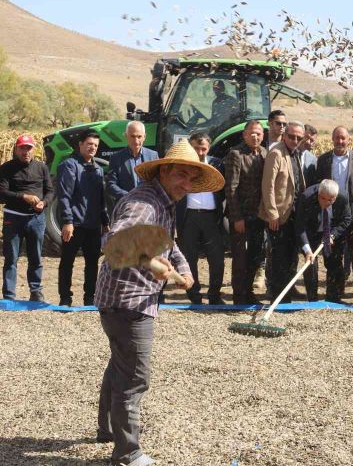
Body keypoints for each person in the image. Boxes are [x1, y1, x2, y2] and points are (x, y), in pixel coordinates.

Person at [94, 140, 220, 466]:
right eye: (180, 175)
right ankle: (127, 453)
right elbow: (112, 241)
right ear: (163, 170)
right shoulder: (145, 204)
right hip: (128, 300)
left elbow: (168, 240)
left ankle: (107, 428)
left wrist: (182, 266)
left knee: (120, 363)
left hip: (121, 298)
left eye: (192, 179)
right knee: (135, 376)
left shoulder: (164, 202)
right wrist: (149, 262)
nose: (186, 184)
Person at [0, 134, 54, 302]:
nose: (25, 152)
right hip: (13, 218)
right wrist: (23, 196)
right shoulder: (7, 168)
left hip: (36, 219)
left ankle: (36, 291)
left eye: (28, 148)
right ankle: (9, 295)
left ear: (33, 150)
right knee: (11, 258)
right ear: (16, 149)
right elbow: (2, 192)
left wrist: (44, 203)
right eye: (22, 148)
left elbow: (50, 191)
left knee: (36, 257)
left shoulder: (41, 168)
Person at [57, 129, 110, 306]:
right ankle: (65, 298)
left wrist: (105, 221)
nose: (92, 148)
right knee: (67, 262)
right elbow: (65, 196)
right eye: (89, 144)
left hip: (93, 225)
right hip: (75, 224)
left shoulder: (98, 169)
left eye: (95, 145)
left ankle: (90, 298)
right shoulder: (69, 165)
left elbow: (101, 198)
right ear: (80, 145)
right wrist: (67, 221)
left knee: (92, 263)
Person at [316, 125, 353, 300]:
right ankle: (335, 290)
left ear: (349, 139)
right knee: (333, 254)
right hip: (332, 215)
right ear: (332, 139)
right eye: (337, 138)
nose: (340, 141)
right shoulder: (323, 160)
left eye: (343, 138)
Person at [259, 121, 306, 303]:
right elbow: (268, 185)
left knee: (291, 254)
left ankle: (288, 289)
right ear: (285, 135)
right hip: (278, 215)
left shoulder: (295, 153)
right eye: (292, 136)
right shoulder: (276, 153)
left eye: (299, 138)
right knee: (278, 256)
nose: (295, 140)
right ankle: (278, 296)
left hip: (293, 213)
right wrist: (272, 213)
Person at [177, 132, 225, 305]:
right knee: (189, 258)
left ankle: (214, 295)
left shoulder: (217, 165)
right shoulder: (181, 166)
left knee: (217, 258)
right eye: (196, 148)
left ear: (209, 148)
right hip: (188, 217)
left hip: (212, 218)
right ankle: (194, 297)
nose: (200, 152)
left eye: (203, 148)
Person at [224, 121, 267, 305]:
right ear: (244, 135)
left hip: (259, 216)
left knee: (255, 256)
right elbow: (231, 188)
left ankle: (249, 292)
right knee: (240, 257)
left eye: (258, 133)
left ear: (262, 136)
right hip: (241, 216)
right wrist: (237, 217)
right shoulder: (236, 154)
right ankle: (239, 295)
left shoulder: (265, 153)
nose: (255, 136)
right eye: (251, 133)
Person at [295, 179, 351, 302]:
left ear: (335, 197)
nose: (326, 203)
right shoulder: (307, 197)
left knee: (334, 261)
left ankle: (333, 297)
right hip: (312, 231)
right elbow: (300, 226)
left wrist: (333, 235)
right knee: (311, 264)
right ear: (318, 195)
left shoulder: (343, 197)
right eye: (323, 199)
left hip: (332, 230)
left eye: (330, 200)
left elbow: (346, 219)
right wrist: (307, 249)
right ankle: (312, 298)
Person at [106, 121, 159, 206]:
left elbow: (158, 182)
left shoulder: (153, 156)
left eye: (139, 136)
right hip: (125, 205)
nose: (136, 141)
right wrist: (129, 196)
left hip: (148, 205)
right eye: (133, 136)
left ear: (144, 137)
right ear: (126, 136)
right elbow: (111, 185)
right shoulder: (116, 158)